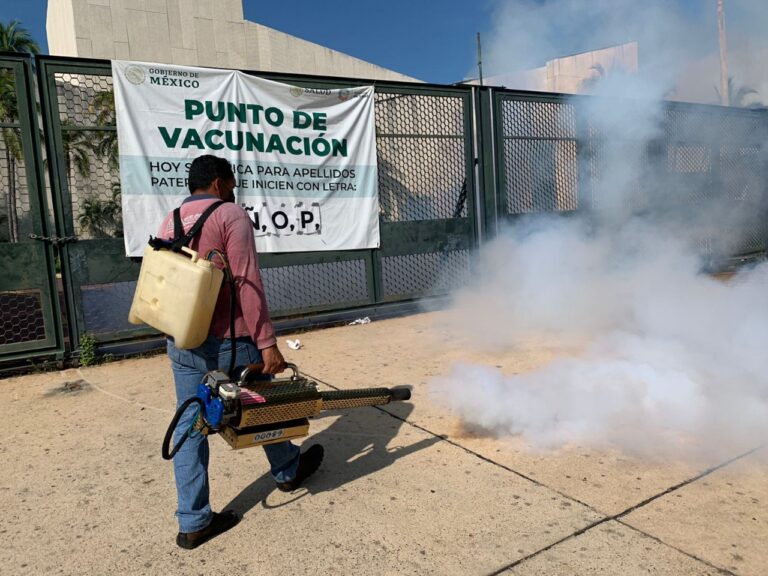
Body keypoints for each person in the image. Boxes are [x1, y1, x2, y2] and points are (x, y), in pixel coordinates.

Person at [157, 155, 324, 549]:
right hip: (230, 341)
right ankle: (287, 471)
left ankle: (194, 520)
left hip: (183, 339)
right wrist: (267, 343)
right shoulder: (230, 214)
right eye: (231, 182)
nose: (234, 188)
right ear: (218, 183)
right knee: (264, 402)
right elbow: (246, 281)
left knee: (190, 423)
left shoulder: (171, 219)